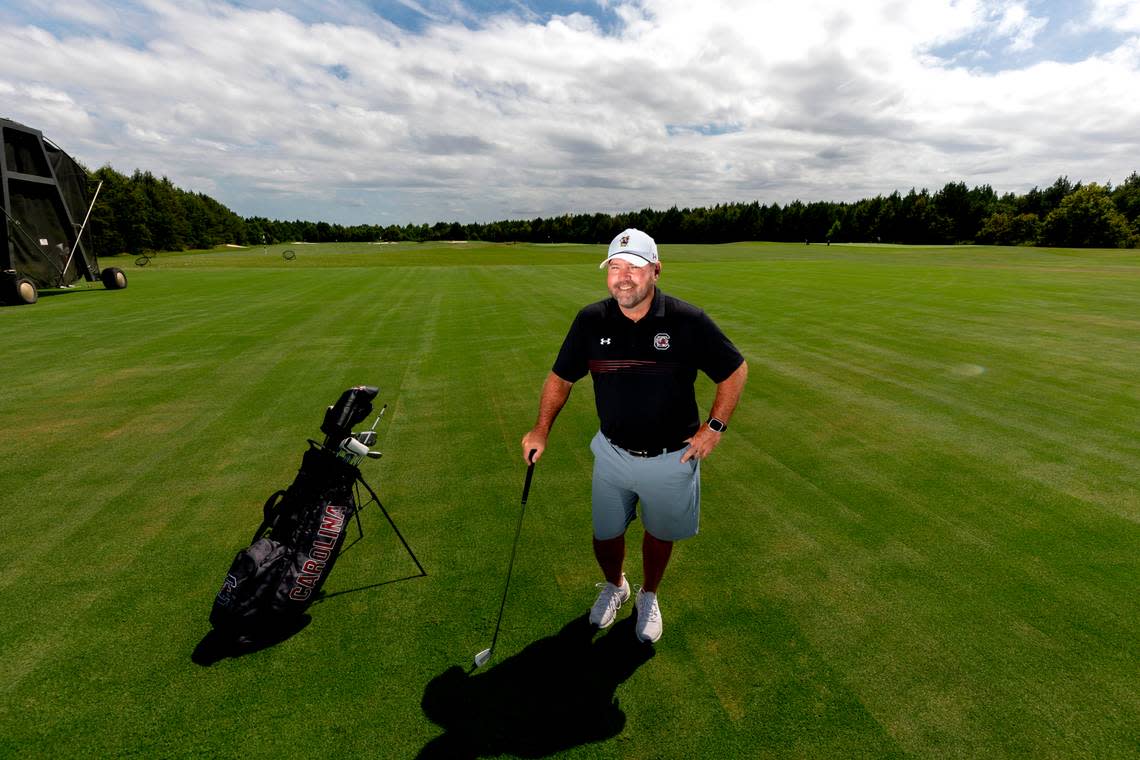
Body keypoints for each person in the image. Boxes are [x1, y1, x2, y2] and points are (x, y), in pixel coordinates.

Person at [521, 228, 747, 643]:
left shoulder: (688, 320)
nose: (623, 277)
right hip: (612, 454)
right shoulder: (591, 320)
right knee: (605, 534)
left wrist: (714, 428)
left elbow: (734, 370)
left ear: (656, 271)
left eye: (635, 268)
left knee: (659, 533)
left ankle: (648, 594)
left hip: (671, 457)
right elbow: (561, 378)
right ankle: (616, 586)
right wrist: (540, 429)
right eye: (615, 268)